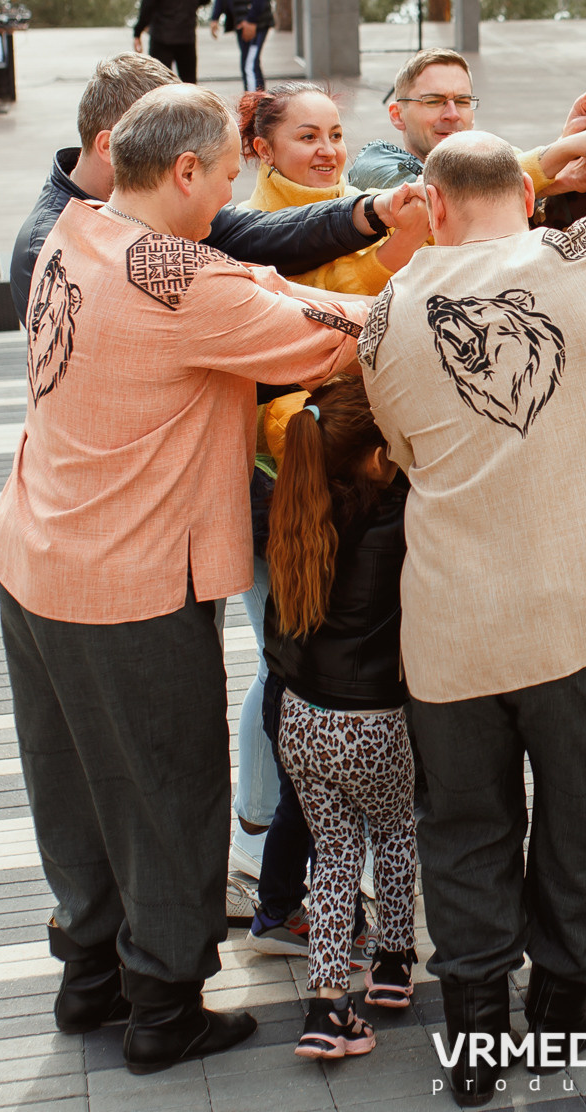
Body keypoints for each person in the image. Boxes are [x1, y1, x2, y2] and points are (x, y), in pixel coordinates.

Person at [0, 83, 371, 1074]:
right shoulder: (180, 283)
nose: (229, 199)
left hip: (34, 553)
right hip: (127, 581)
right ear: (187, 168)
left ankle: (90, 972)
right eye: (228, 177)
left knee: (72, 782)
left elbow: (237, 274)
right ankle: (164, 1003)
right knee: (170, 787)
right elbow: (333, 331)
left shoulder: (73, 230)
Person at [361, 129, 586, 1108]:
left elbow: (403, 449)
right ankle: (559, 1007)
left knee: (462, 822)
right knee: (583, 817)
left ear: (429, 198)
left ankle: (474, 1032)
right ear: (527, 186)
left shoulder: (387, 314)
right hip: (585, 613)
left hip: (450, 623)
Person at [233, 81, 428, 940]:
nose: (325, 148)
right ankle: (273, 840)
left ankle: (286, 894)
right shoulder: (244, 237)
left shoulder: (354, 213)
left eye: (334, 133)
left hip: (322, 483)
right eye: (305, 136)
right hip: (295, 483)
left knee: (288, 668)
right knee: (285, 676)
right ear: (263, 149)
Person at [7, 54, 412, 327]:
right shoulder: (48, 249)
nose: (221, 193)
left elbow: (260, 233)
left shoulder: (156, 205)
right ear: (112, 147)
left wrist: (373, 210)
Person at [264, 370, 419, 1061]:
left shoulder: (297, 507)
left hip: (302, 721)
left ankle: (327, 1009)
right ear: (378, 453)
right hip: (375, 722)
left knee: (333, 858)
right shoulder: (399, 513)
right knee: (392, 836)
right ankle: (391, 965)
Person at [343, 47, 586, 194]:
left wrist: (579, 148)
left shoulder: (500, 154)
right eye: (434, 101)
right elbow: (439, 195)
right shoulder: (375, 162)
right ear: (397, 115)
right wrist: (563, 153)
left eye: (462, 101)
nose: (452, 114)